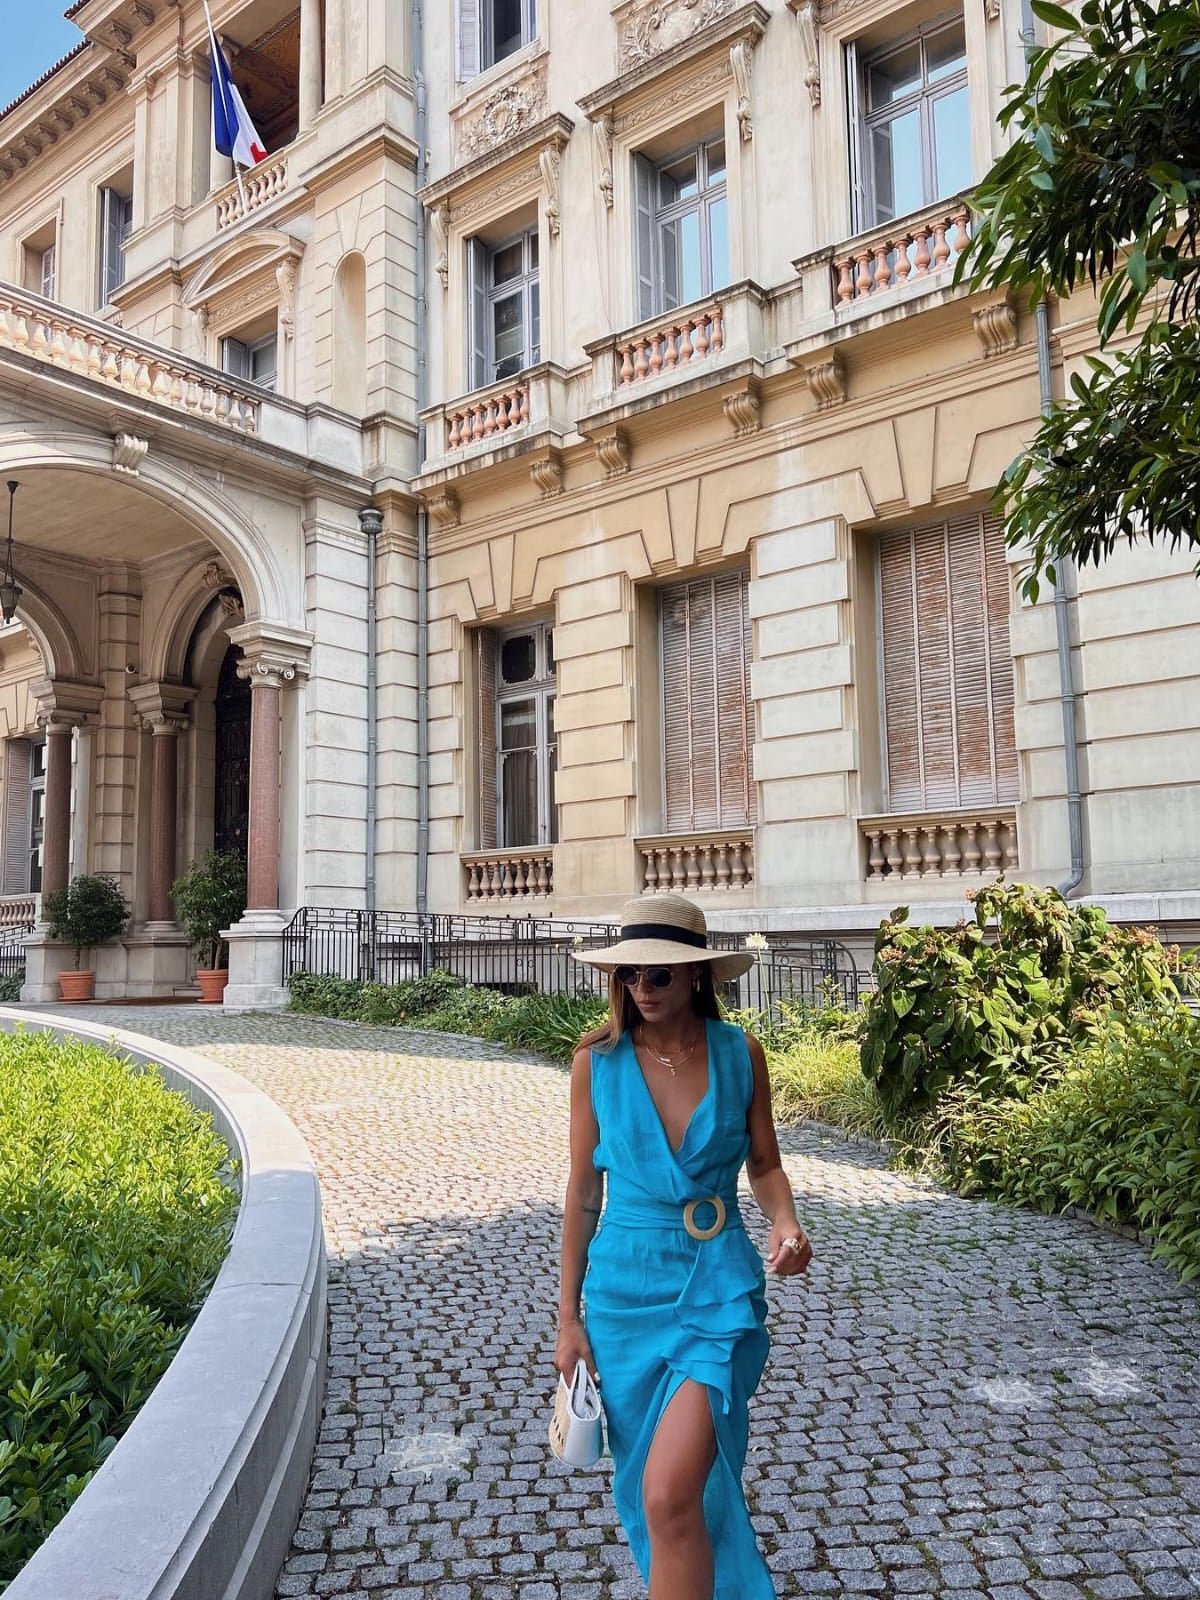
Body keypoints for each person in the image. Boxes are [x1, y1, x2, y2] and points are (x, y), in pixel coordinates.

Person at [556, 893, 813, 1600]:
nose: (643, 987)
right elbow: (583, 1193)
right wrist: (567, 1318)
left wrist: (785, 1225)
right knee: (655, 1501)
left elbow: (764, 1164)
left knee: (671, 1493)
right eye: (631, 974)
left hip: (717, 1284)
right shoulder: (596, 1063)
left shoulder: (740, 1055)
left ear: (699, 976)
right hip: (623, 1295)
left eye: (660, 975)